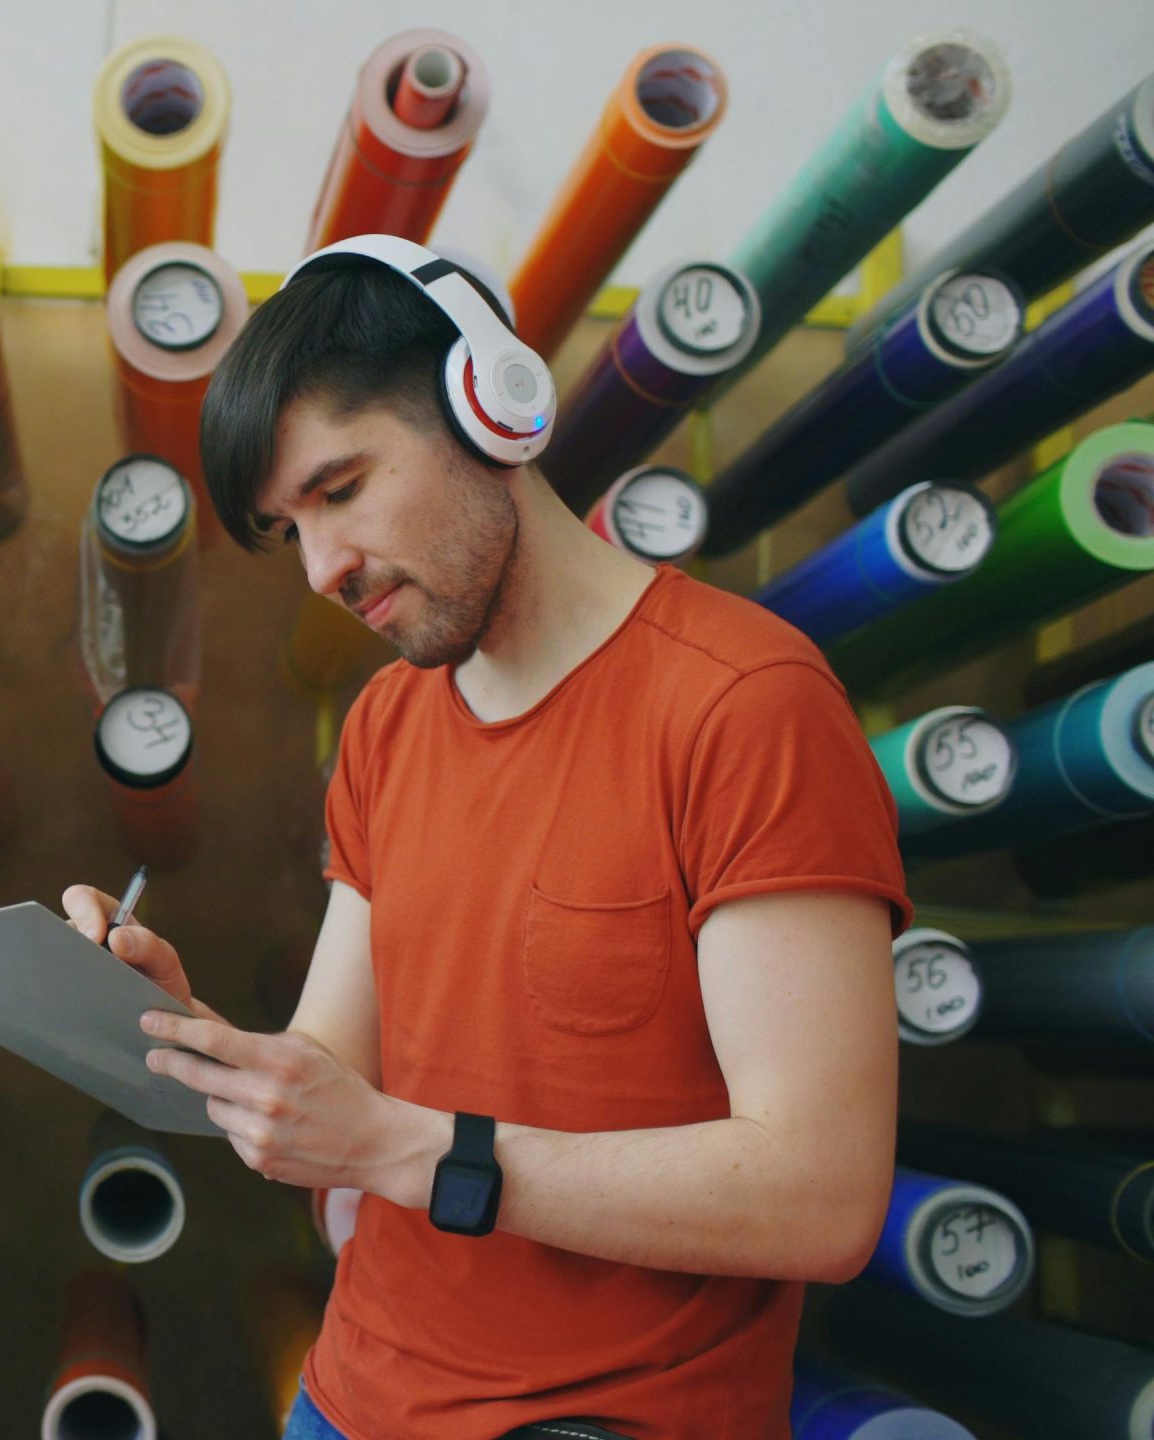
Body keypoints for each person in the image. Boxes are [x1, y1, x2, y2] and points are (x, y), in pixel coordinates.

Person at [65, 239, 907, 1440]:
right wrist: (187, 1028)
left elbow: (818, 1198)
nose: (323, 569)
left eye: (339, 490)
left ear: (489, 406)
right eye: (288, 530)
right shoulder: (386, 725)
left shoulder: (745, 706)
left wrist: (416, 1153)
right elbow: (334, 1081)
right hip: (346, 1400)